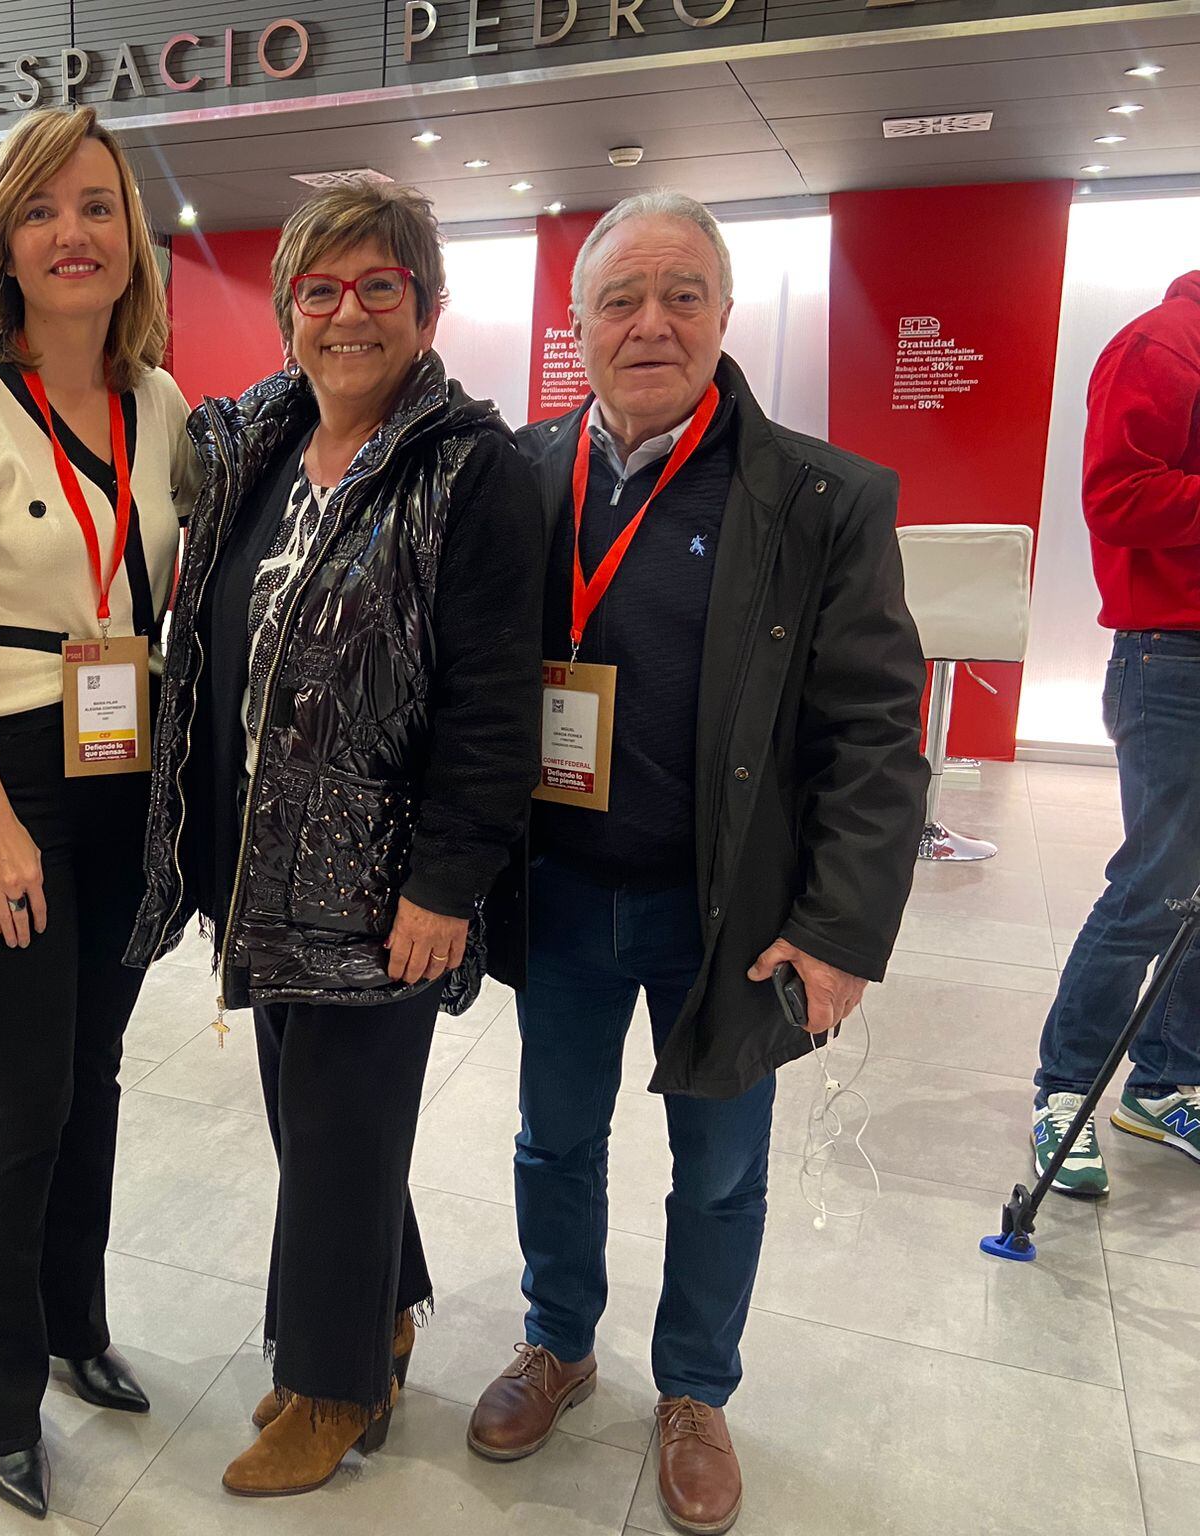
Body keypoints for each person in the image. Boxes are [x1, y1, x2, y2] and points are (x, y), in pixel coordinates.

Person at [465, 192, 927, 1536]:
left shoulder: (823, 500)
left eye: (681, 294)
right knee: (555, 1141)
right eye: (620, 299)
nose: (650, 323)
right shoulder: (518, 475)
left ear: (725, 316)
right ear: (579, 327)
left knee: (718, 1167)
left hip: (731, 918)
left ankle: (695, 1390)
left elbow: (875, 740)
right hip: (558, 899)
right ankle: (559, 1342)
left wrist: (839, 938)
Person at [126, 181, 542, 1498]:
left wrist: (448, 883)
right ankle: (385, 1308)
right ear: (288, 305)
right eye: (321, 288)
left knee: (346, 1132)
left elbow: (493, 700)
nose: (348, 313)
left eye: (380, 287)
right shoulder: (253, 439)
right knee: (318, 1130)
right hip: (262, 869)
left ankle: (333, 1385)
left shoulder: (474, 469)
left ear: (427, 309)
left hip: (382, 883)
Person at [0, 106, 198, 1520]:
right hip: (3, 784)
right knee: (26, 1097)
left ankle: (74, 1328)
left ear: (130, 234)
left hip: (126, 775)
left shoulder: (163, 408)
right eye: (41, 209)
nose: (72, 233)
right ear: (0, 239)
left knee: (96, 1080)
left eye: (98, 206)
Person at [1030, 275, 1200, 1196]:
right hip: (1175, 660)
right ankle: (1064, 1091)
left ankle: (1166, 1083)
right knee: (1154, 888)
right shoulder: (1163, 344)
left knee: (1194, 888)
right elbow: (1121, 497)